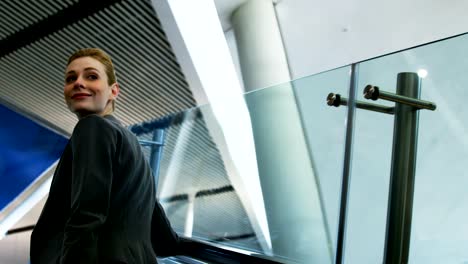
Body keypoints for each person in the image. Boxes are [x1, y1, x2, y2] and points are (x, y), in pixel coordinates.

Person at [30, 48, 181, 263]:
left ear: (114, 91)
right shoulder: (133, 146)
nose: (78, 83)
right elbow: (164, 239)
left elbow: (87, 215)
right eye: (70, 78)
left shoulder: (92, 127)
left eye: (91, 76)